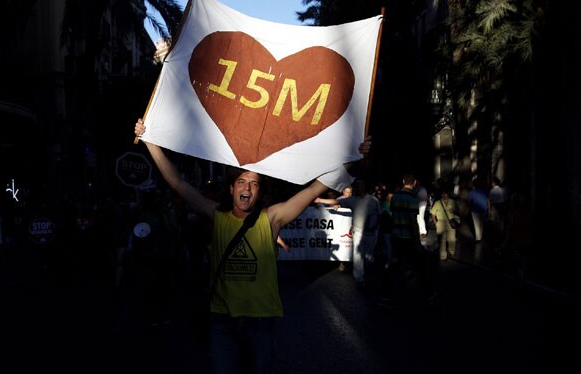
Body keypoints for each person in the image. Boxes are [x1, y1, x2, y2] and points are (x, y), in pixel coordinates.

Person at [134, 118, 371, 374]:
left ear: (258, 193)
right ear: (232, 188)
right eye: (243, 182)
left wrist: (351, 159)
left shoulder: (272, 218)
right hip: (221, 322)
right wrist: (150, 141)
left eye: (255, 184)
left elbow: (315, 188)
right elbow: (178, 183)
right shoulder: (217, 216)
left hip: (260, 322)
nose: (248, 187)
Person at [378, 174, 438, 309]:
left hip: (396, 236)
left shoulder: (395, 198)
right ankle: (428, 295)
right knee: (420, 267)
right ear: (415, 183)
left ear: (403, 181)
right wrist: (417, 241)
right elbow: (412, 221)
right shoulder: (412, 199)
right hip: (408, 238)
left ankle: (385, 295)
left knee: (392, 265)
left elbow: (393, 215)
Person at [314, 180, 380, 283]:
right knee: (357, 257)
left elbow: (379, 215)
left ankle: (369, 275)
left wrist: (376, 226)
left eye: (359, 186)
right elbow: (335, 201)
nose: (357, 188)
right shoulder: (351, 200)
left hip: (371, 233)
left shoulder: (373, 200)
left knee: (369, 256)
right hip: (358, 232)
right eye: (356, 187)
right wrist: (320, 200)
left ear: (364, 187)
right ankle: (359, 279)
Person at [430, 189, 458, 262]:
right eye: (443, 194)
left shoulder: (452, 201)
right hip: (440, 222)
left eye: (445, 193)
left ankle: (451, 251)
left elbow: (457, 210)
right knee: (442, 240)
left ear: (448, 194)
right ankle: (443, 256)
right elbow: (433, 213)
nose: (444, 195)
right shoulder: (437, 203)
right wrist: (435, 222)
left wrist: (454, 211)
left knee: (452, 239)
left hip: (451, 222)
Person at [469, 178, 491, 242]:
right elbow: (488, 200)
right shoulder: (485, 191)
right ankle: (480, 236)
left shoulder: (472, 192)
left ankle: (478, 238)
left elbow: (470, 201)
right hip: (484, 208)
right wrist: (489, 209)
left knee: (476, 224)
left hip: (475, 209)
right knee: (481, 223)